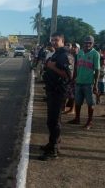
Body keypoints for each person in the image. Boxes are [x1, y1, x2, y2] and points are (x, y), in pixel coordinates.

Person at [39, 32, 73, 161]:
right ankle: (52, 143)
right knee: (52, 120)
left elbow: (68, 75)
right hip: (52, 90)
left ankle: (53, 150)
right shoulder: (57, 53)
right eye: (52, 40)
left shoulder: (65, 55)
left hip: (58, 92)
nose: (53, 42)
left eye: (56, 40)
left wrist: (52, 67)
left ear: (62, 41)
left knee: (54, 121)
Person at [67, 35, 100, 130]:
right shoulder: (80, 52)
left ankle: (89, 122)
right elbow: (77, 67)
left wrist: (96, 85)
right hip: (79, 82)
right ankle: (77, 119)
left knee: (90, 103)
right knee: (77, 102)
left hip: (89, 83)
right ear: (83, 43)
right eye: (86, 42)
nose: (87, 44)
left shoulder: (95, 54)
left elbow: (97, 70)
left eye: (89, 43)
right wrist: (74, 78)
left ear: (93, 44)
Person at [63, 43, 80, 114]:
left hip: (74, 77)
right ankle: (65, 107)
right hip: (69, 77)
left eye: (75, 47)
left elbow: (76, 68)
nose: (73, 48)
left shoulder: (78, 56)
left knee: (73, 95)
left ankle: (72, 109)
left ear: (78, 49)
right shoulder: (70, 55)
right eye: (72, 47)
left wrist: (75, 77)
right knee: (67, 93)